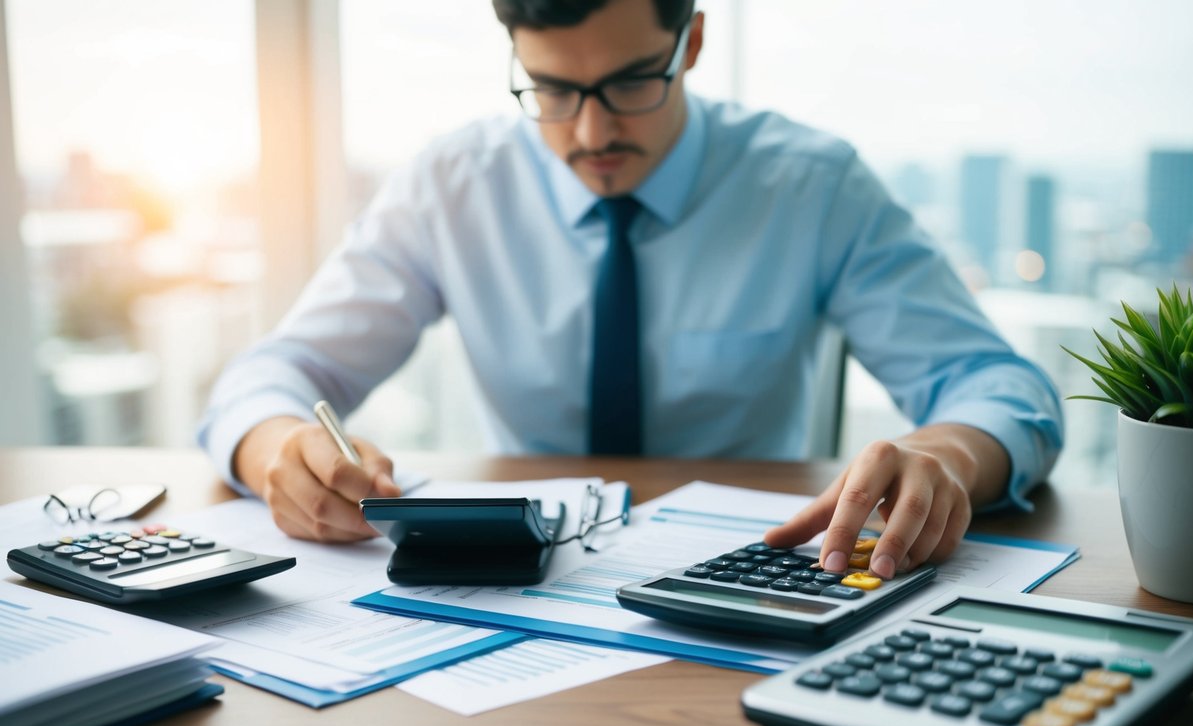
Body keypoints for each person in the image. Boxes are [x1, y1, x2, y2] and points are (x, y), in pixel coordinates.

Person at [198, 0, 1063, 580]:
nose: (591, 131)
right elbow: (275, 372)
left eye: (628, 84)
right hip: (518, 595)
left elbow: (1002, 389)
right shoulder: (452, 184)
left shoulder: (811, 185)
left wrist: (947, 458)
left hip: (752, 584)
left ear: (689, 42)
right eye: (552, 90)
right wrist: (275, 445)